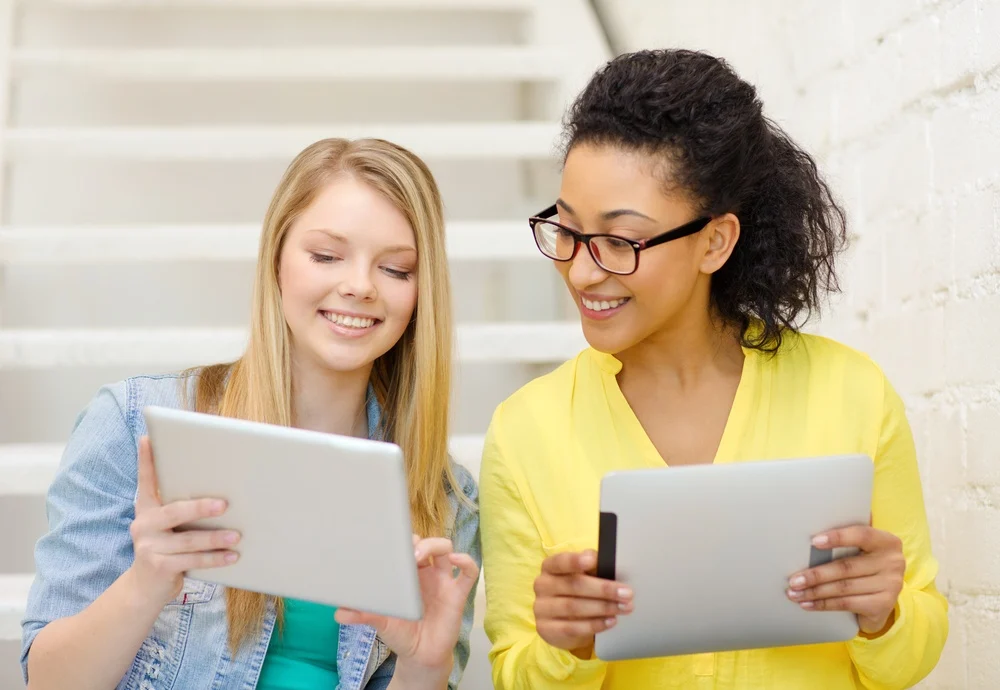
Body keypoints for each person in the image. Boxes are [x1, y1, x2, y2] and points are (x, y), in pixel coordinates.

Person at [479, 49, 947, 689]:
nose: (582, 270)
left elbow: (911, 652)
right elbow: (515, 673)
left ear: (715, 241)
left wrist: (884, 615)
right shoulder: (525, 430)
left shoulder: (853, 394)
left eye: (620, 242)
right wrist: (569, 646)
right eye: (566, 231)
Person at [21, 138, 481, 690]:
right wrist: (147, 582)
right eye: (327, 256)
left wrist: (424, 668)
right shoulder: (132, 424)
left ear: (419, 294)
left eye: (396, 269)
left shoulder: (446, 501)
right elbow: (48, 683)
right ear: (277, 260)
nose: (359, 286)